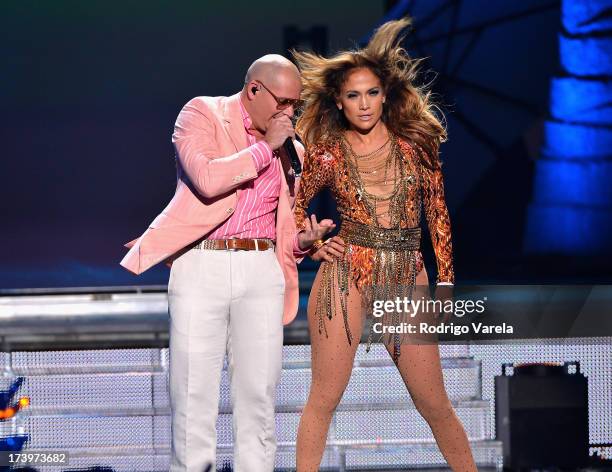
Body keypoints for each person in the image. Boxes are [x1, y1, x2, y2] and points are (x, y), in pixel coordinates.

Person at [120, 54, 334, 472]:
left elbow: (277, 222)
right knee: (193, 396)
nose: (289, 114)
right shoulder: (202, 113)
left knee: (259, 400)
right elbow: (207, 179)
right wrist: (263, 147)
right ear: (254, 90)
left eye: (296, 104)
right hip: (202, 265)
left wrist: (301, 242)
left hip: (261, 271)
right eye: (283, 102)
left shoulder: (294, 150)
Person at [291, 19, 478, 471]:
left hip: (405, 276)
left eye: (372, 92)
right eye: (353, 95)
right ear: (339, 100)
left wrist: (447, 282)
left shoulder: (416, 143)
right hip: (345, 275)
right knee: (323, 398)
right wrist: (313, 245)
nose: (364, 104)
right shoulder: (329, 152)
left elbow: (437, 213)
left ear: (386, 94)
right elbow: (294, 209)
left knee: (435, 403)